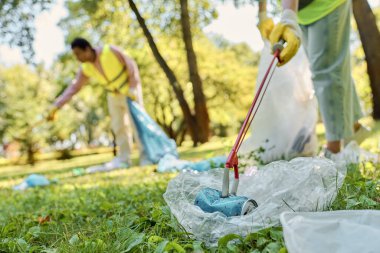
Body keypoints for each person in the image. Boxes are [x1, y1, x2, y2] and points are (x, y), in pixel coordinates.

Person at [257, 0, 371, 156]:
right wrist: (262, 13)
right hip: (302, 14)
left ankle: (334, 150)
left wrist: (288, 15)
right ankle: (354, 128)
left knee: (325, 72)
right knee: (331, 68)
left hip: (326, 5)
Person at [47, 37, 148, 170]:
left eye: (78, 54)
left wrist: (133, 87)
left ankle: (146, 157)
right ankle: (124, 159)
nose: (77, 58)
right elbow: (74, 87)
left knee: (137, 125)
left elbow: (130, 64)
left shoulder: (110, 51)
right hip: (112, 95)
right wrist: (57, 106)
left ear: (87, 49)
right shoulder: (85, 68)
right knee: (119, 127)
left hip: (129, 90)